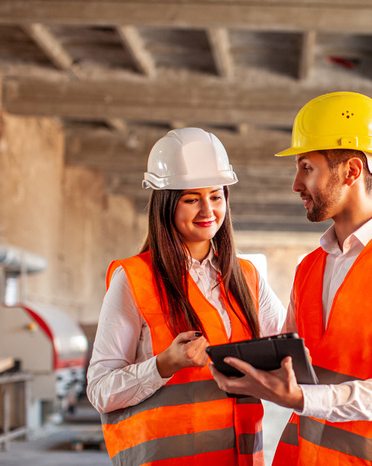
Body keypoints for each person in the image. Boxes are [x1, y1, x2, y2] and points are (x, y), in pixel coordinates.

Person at [210, 91, 372, 465]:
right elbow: (290, 363)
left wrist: (300, 398)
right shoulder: (309, 267)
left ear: (352, 171)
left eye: (306, 167)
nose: (295, 184)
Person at [87, 127, 285, 466]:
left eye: (216, 196)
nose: (207, 209)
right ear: (166, 204)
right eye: (191, 198)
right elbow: (100, 390)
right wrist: (164, 364)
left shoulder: (246, 277)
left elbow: (283, 349)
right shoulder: (134, 278)